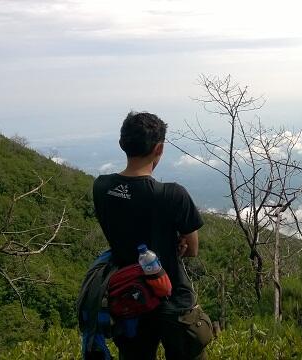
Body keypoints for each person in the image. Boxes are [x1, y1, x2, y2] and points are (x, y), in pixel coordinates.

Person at [92, 111, 212, 359]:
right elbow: (192, 249)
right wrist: (175, 241)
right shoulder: (172, 194)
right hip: (171, 298)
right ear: (159, 148)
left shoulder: (101, 187)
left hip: (127, 300)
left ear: (122, 144)